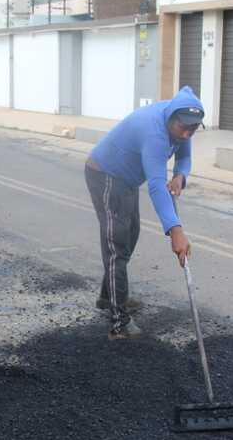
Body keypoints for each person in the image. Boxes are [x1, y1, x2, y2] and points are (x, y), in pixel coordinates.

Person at [85, 86, 203, 340]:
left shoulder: (183, 126)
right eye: (183, 128)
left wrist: (181, 176)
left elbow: (184, 159)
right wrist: (175, 231)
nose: (186, 133)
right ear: (171, 119)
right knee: (117, 243)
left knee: (130, 236)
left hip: (127, 180)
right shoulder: (154, 132)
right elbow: (156, 185)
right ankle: (119, 324)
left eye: (192, 129)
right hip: (105, 174)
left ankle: (109, 297)